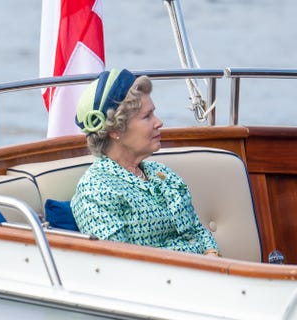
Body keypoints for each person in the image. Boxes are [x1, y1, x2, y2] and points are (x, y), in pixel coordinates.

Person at [71, 68, 221, 257]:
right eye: (147, 116)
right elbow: (121, 264)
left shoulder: (160, 173)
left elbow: (198, 231)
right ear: (115, 130)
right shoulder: (95, 191)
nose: (159, 123)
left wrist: (212, 257)